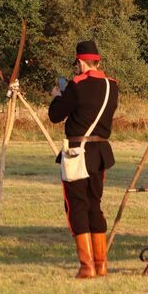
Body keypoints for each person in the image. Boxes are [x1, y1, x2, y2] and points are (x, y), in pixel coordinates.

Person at [48, 40, 119, 279]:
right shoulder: (113, 86)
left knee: (76, 205)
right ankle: (101, 264)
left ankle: (87, 266)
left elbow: (56, 115)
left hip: (78, 152)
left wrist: (58, 96)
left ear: (80, 62)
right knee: (94, 205)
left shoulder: (76, 85)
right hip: (99, 153)